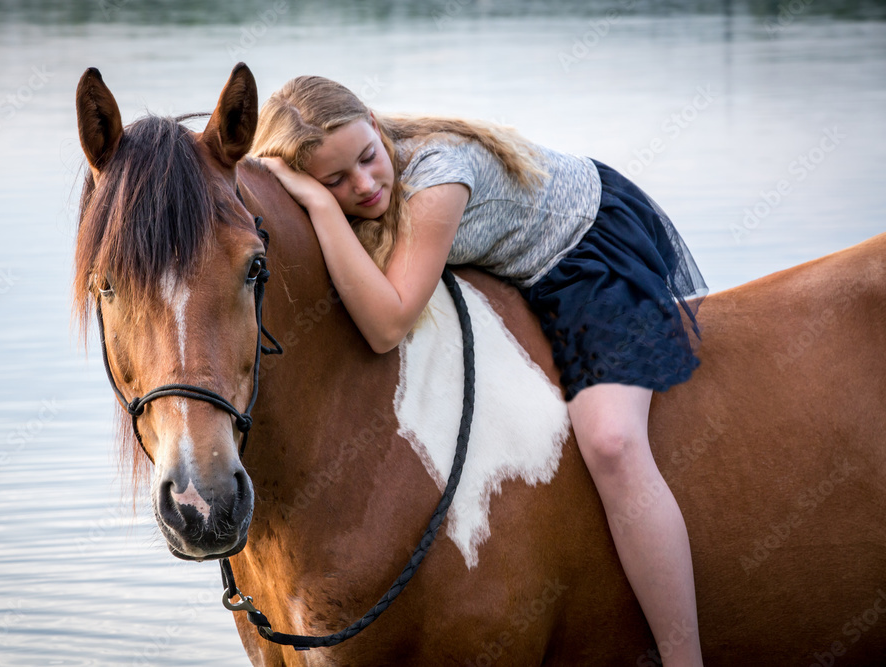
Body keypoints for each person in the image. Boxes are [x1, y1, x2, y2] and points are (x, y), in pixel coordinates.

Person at [253, 74, 708, 666]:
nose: (364, 185)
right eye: (335, 180)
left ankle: (686, 657)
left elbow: (387, 324)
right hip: (519, 269)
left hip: (586, 251)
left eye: (368, 158)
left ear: (372, 119)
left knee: (614, 443)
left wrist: (317, 202)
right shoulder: (372, 183)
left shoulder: (439, 177)